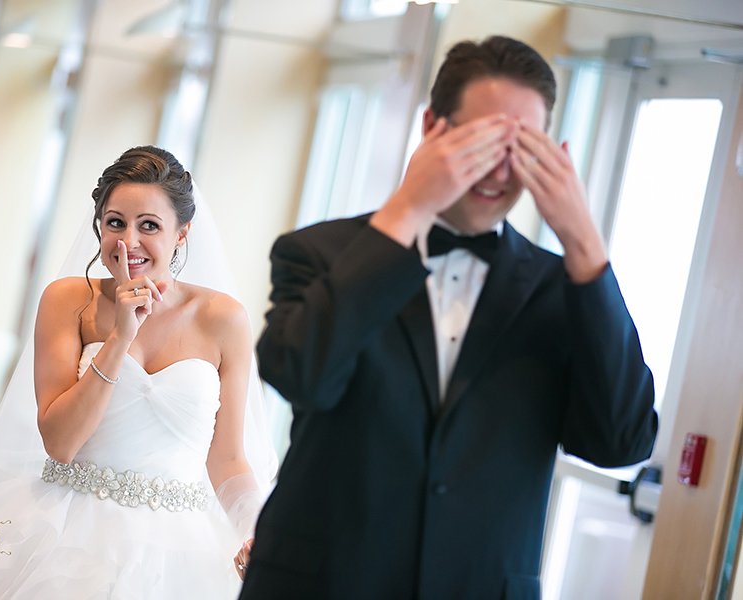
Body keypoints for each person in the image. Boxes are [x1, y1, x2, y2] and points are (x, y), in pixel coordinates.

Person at [240, 36, 658, 599]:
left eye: (521, 146)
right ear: (431, 128)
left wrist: (584, 245)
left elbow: (622, 442)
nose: (497, 170)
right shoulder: (319, 252)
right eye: (481, 140)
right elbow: (299, 374)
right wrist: (409, 209)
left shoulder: (565, 290)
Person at [0, 146, 276, 599]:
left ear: (182, 233)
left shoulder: (224, 319)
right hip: (63, 537)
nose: (128, 241)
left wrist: (255, 530)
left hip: (178, 550)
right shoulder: (68, 301)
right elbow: (60, 443)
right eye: (115, 222)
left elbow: (227, 458)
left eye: (149, 225)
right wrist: (120, 338)